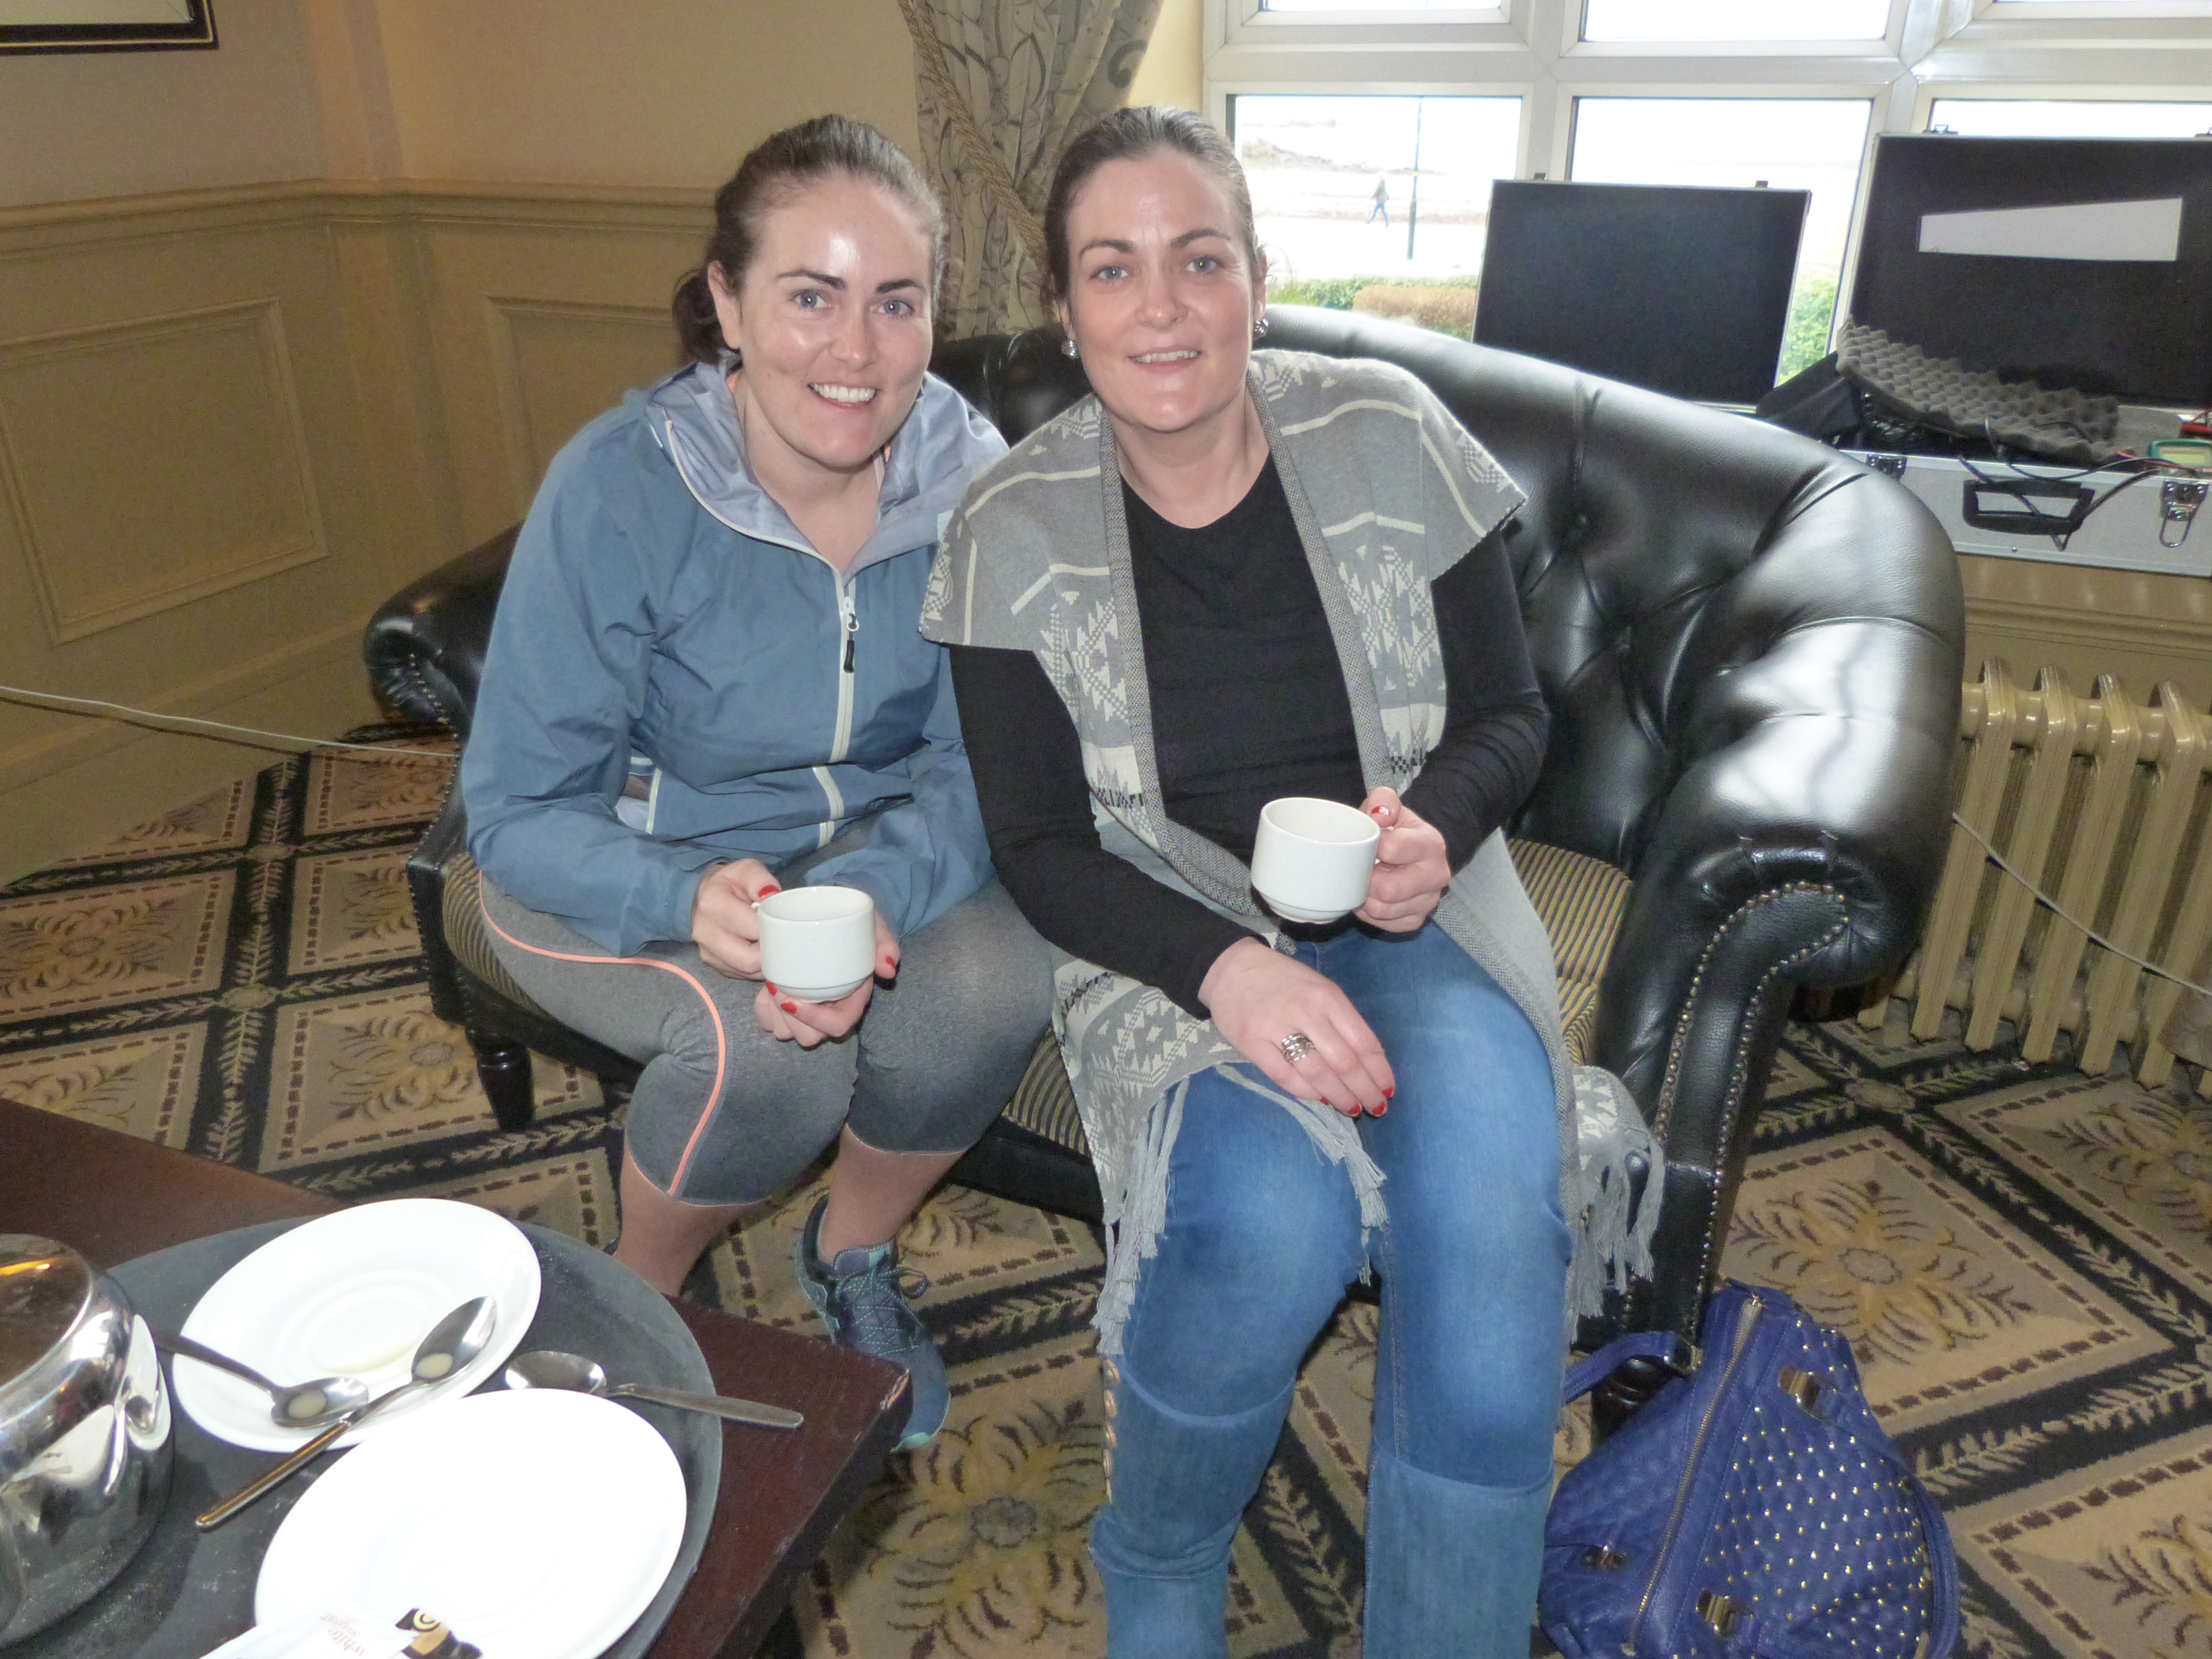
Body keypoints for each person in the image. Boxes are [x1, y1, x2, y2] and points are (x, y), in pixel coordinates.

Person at [924, 107, 1615, 1656]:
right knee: (1265, 1221)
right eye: (1112, 269)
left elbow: (1510, 716)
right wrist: (1229, 970)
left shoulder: (1388, 431)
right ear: (1065, 310)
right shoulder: (1007, 531)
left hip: (1416, 909)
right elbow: (1040, 848)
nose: (1160, 306)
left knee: (1488, 1245)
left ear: (1255, 275)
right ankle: (1161, 1552)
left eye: (1200, 259)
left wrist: (1434, 826)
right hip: (1167, 936)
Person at [460, 115, 1052, 1451]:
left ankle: (852, 1253)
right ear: (726, 304)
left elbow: (978, 764)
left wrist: (865, 894)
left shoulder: (979, 487)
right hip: (614, 856)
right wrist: (685, 895)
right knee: (769, 1057)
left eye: (894, 301)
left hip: (863, 846)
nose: (857, 350)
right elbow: (518, 811)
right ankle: (639, 1298)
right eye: (809, 296)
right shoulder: (619, 488)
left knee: (994, 988)